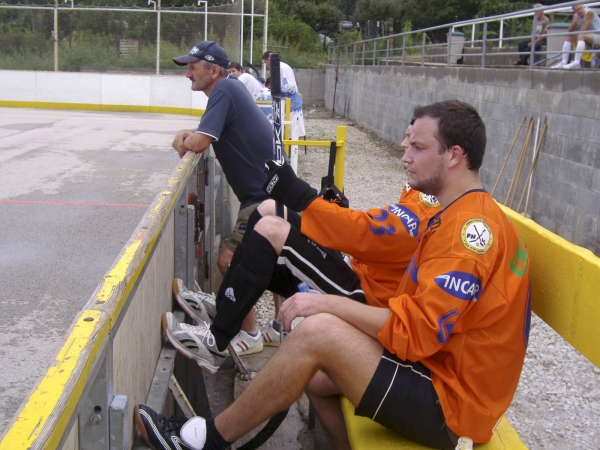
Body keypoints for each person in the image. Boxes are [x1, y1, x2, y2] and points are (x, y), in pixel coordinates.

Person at [135, 100, 531, 450]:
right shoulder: (459, 213)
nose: (405, 154)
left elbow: (416, 331)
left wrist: (325, 304)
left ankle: (205, 440)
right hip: (437, 369)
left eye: (418, 147)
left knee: (317, 332)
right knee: (317, 377)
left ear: (455, 155)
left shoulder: (467, 234)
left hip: (455, 406)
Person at [171, 40, 273, 353]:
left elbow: (200, 142)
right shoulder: (229, 90)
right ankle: (239, 314)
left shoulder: (225, 90)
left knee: (229, 262)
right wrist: (192, 135)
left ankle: (250, 335)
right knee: (249, 265)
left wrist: (185, 138)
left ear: (214, 70)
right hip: (266, 196)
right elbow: (204, 134)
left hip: (261, 201)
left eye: (193, 67)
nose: (188, 74)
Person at [262, 50, 306, 137]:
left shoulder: (282, 68)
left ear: (269, 60)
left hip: (291, 102)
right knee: (285, 127)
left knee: (293, 128)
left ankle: (292, 142)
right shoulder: (278, 68)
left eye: (265, 62)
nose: (266, 65)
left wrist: (276, 90)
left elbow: (290, 85)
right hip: (283, 102)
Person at [552, 3, 600, 69]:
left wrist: (576, 33)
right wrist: (574, 24)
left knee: (581, 36)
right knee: (568, 37)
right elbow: (569, 32)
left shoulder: (589, 12)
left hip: (598, 35)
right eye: (578, 9)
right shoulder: (576, 16)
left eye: (581, 8)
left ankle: (577, 63)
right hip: (589, 35)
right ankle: (564, 62)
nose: (580, 10)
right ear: (574, 11)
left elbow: (584, 30)